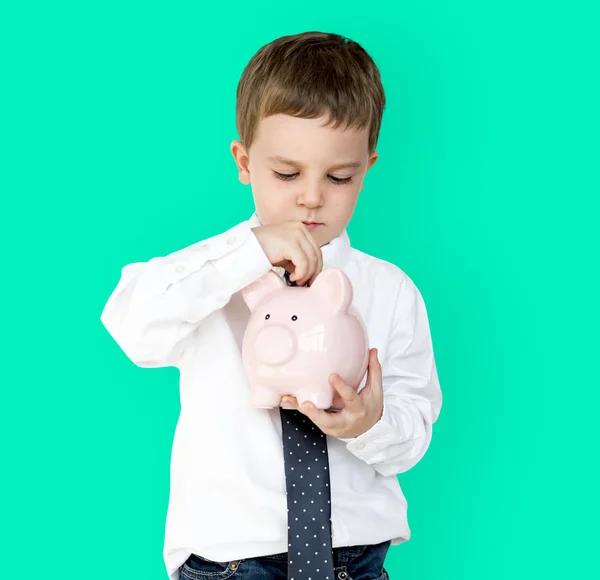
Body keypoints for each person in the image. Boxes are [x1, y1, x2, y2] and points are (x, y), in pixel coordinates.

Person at [101, 31, 442, 580]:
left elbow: (412, 433)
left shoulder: (390, 290)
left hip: (355, 559)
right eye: (287, 173)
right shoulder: (210, 277)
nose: (311, 196)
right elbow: (130, 324)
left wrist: (369, 422)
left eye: (339, 177)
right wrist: (245, 254)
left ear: (368, 168)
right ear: (244, 161)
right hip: (230, 559)